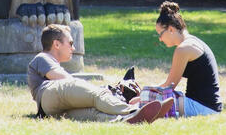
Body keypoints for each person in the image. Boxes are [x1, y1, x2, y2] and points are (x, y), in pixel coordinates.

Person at [27, 24, 174, 124]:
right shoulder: (42, 58)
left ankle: (129, 120)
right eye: (70, 43)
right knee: (97, 96)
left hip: (51, 111)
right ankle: (135, 111)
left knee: (94, 113)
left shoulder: (48, 61)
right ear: (56, 44)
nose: (73, 47)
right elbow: (65, 80)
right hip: (50, 95)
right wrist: (100, 90)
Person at [132, 1, 222, 118]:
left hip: (204, 108)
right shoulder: (192, 42)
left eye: (160, 34)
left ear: (170, 29)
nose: (160, 39)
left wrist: (142, 98)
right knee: (150, 97)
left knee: (151, 100)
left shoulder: (183, 49)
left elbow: (169, 87)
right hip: (206, 105)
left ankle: (133, 112)